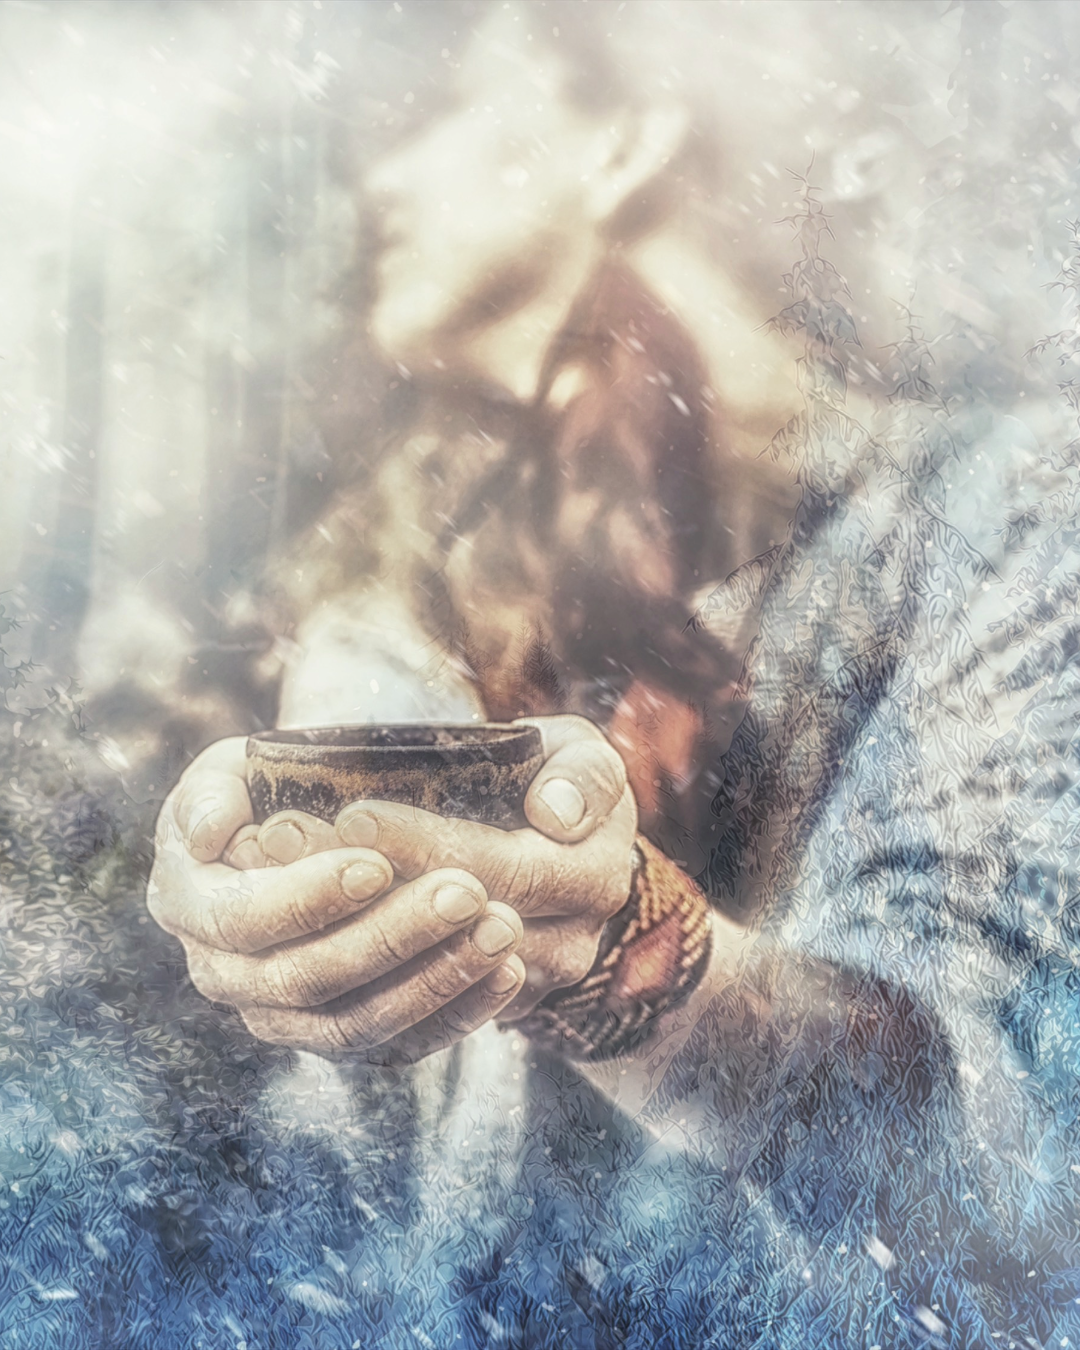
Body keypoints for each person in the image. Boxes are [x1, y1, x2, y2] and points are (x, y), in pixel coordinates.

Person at [136, 4, 1080, 1347]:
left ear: (626, 139)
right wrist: (244, 914)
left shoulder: (1015, 507)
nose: (378, 182)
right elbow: (344, 1186)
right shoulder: (396, 603)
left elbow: (1000, 1142)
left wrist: (623, 961)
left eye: (435, 113)